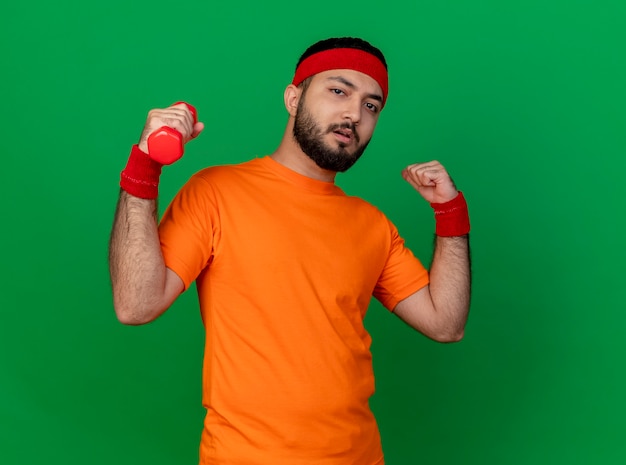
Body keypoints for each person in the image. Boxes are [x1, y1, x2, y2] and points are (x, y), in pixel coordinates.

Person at [109, 37, 471, 465]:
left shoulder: (372, 224)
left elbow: (445, 323)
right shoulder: (216, 193)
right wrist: (145, 167)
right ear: (293, 97)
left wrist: (450, 214)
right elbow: (136, 304)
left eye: (372, 105)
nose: (354, 114)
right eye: (338, 91)